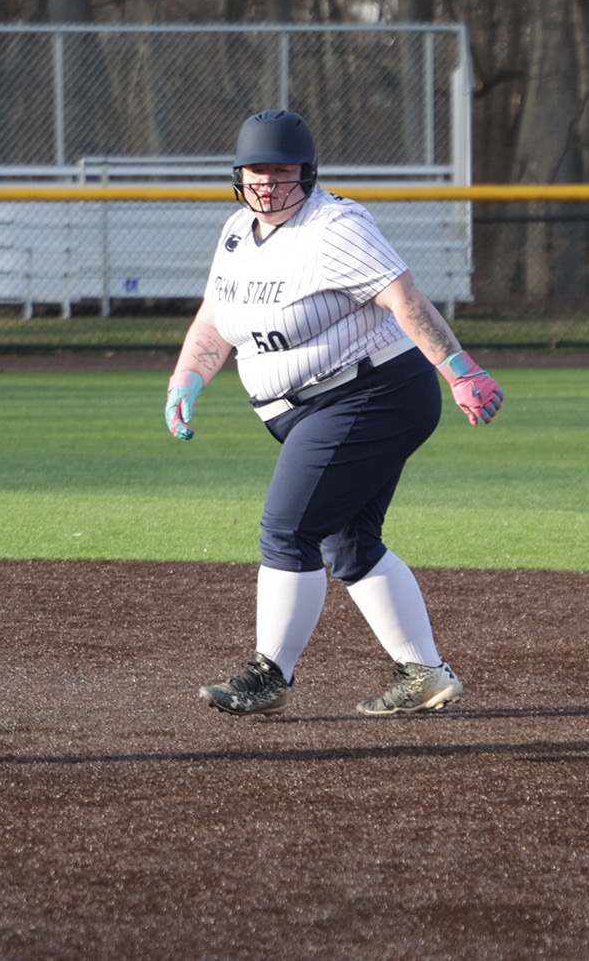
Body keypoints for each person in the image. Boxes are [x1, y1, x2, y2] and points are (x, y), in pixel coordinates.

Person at [164, 109, 503, 718]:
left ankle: (269, 674)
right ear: (238, 175)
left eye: (281, 170)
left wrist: (460, 371)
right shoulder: (238, 230)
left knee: (288, 529)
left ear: (308, 171)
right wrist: (186, 379)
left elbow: (405, 300)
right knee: (349, 542)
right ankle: (424, 673)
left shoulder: (335, 226)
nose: (267, 182)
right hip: (308, 406)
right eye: (255, 170)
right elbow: (215, 319)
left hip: (372, 394)